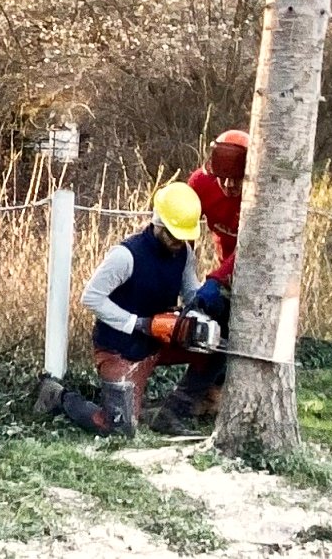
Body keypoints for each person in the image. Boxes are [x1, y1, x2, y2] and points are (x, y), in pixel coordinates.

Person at [33, 182, 225, 437]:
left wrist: (200, 309)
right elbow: (90, 297)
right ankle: (58, 397)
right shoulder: (126, 255)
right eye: (172, 234)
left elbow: (190, 293)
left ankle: (174, 411)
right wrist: (137, 323)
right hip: (120, 347)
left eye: (183, 236)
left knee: (215, 349)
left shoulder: (185, 253)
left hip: (159, 339)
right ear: (158, 222)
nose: (178, 241)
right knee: (119, 428)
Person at [187, 129, 249, 323]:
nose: (229, 185)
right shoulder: (200, 184)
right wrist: (183, 277)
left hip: (253, 267)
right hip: (224, 264)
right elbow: (184, 233)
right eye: (223, 177)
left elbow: (251, 247)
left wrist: (216, 279)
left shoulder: (258, 196)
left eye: (237, 179)